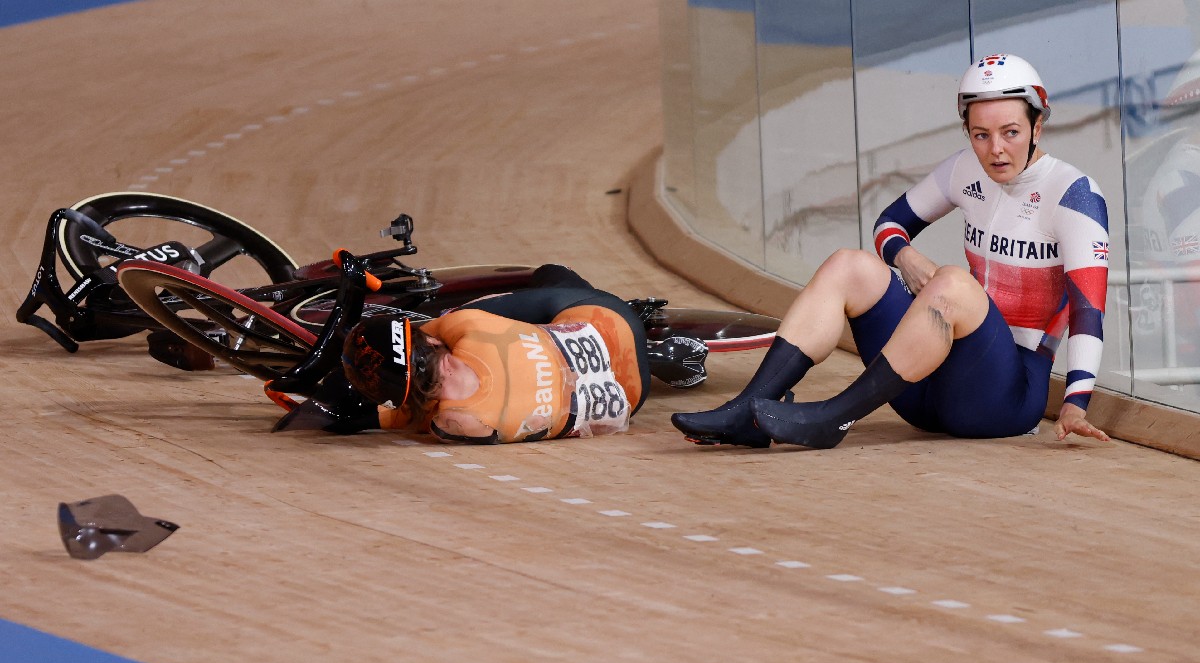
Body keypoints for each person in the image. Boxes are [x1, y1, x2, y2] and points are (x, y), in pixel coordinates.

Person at [671, 53, 1112, 449]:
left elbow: (1089, 310)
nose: (995, 149)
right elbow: (889, 224)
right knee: (850, 265)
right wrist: (906, 256)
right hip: (925, 391)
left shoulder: (1074, 193)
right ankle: (748, 408)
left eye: (1011, 132)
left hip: (1005, 400)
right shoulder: (965, 169)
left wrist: (1076, 402)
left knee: (954, 282)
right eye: (980, 135)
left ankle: (834, 417)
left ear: (1038, 125)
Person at [276, 264, 707, 442]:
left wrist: (314, 406)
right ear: (426, 341)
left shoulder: (450, 421)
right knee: (550, 277)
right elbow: (420, 340)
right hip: (614, 324)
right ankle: (645, 340)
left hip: (630, 400)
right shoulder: (465, 327)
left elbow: (356, 417)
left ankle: (643, 357)